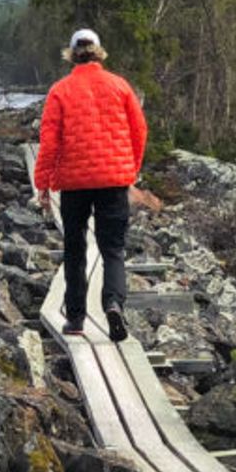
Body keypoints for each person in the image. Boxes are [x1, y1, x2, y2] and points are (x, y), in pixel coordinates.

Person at [33, 27, 148, 341]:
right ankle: (113, 303)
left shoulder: (60, 90)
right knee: (113, 249)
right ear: (99, 53)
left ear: (71, 55)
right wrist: (130, 170)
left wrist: (42, 184)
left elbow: (49, 143)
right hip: (113, 180)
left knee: (75, 248)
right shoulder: (120, 86)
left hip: (73, 182)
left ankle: (75, 319)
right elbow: (139, 131)